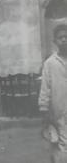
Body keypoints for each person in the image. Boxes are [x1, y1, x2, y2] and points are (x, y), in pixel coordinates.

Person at [39, 24, 67, 163]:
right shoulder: (50, 63)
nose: (64, 39)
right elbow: (45, 88)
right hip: (58, 112)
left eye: (66, 36)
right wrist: (44, 110)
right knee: (61, 147)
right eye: (60, 37)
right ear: (55, 41)